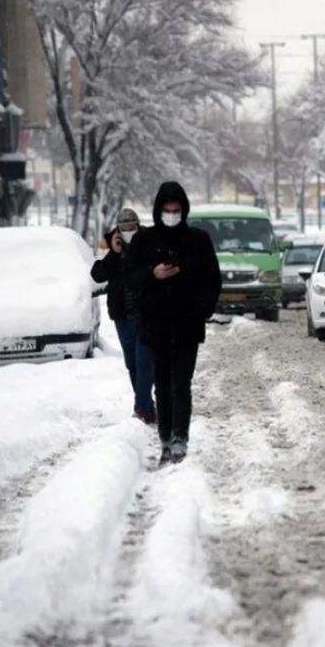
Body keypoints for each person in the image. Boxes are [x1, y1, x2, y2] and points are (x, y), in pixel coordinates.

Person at [128, 182, 221, 465]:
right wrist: (152, 274)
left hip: (186, 324)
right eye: (166, 210)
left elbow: (212, 279)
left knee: (181, 383)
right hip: (156, 325)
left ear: (184, 210)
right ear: (158, 210)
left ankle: (180, 437)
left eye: (176, 210)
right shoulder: (144, 241)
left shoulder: (198, 240)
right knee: (162, 384)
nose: (171, 215)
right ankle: (166, 438)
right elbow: (130, 277)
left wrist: (202, 310)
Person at [90, 208, 156, 424]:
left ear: (138, 225)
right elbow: (97, 274)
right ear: (118, 228)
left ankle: (140, 408)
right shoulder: (107, 243)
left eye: (132, 227)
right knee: (132, 363)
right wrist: (114, 253)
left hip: (146, 311)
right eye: (124, 228)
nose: (128, 231)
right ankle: (147, 405)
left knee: (144, 359)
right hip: (122, 314)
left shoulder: (149, 239)